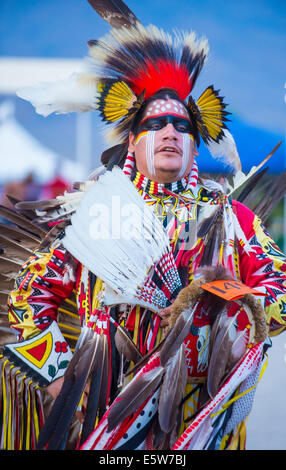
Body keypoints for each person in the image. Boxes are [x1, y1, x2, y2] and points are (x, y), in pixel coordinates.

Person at [1, 1, 286, 451]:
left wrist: (239, 313)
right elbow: (28, 297)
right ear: (133, 142)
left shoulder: (230, 218)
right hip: (106, 412)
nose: (170, 132)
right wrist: (62, 381)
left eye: (181, 125)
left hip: (201, 416)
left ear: (194, 144)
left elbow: (280, 290)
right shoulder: (91, 213)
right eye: (156, 124)